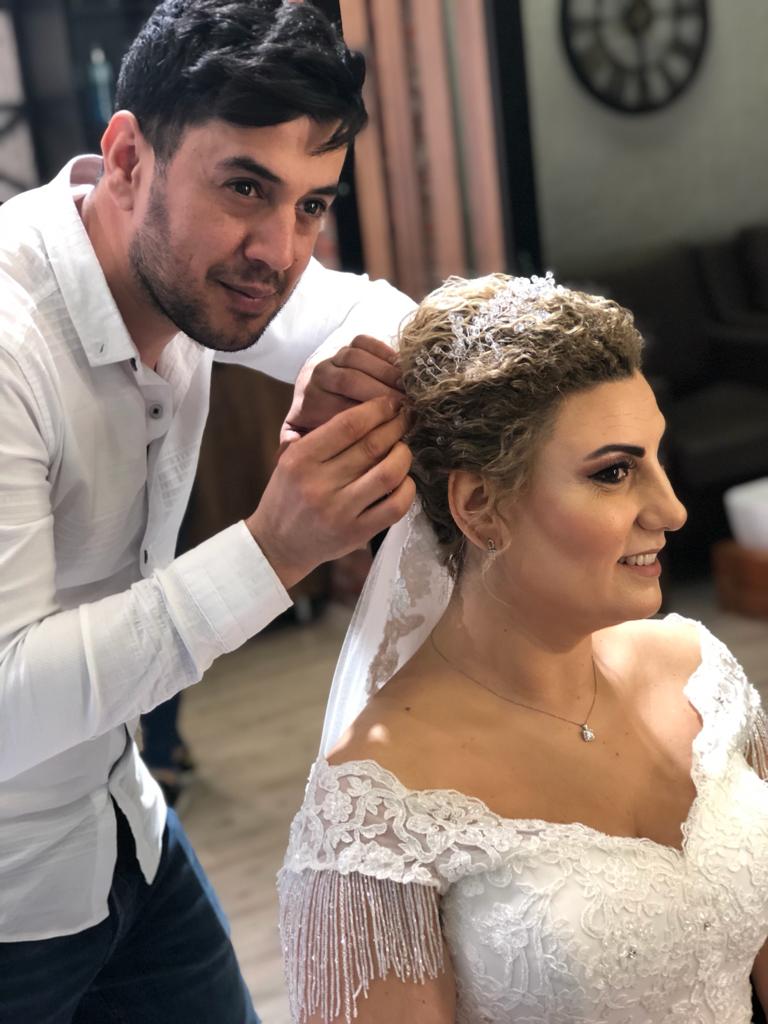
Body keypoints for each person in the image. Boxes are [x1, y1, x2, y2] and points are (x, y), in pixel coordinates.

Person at [0, 1, 417, 1021]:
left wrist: (342, 367)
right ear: (128, 158)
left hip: (123, 829)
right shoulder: (13, 344)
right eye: (245, 188)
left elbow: (374, 313)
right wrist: (272, 552)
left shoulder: (201, 271)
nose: (278, 251)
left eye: (312, 204)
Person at [279, 272, 768, 1023]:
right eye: (614, 473)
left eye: (656, 458)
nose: (671, 510)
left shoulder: (701, 676)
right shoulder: (377, 806)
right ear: (479, 506)